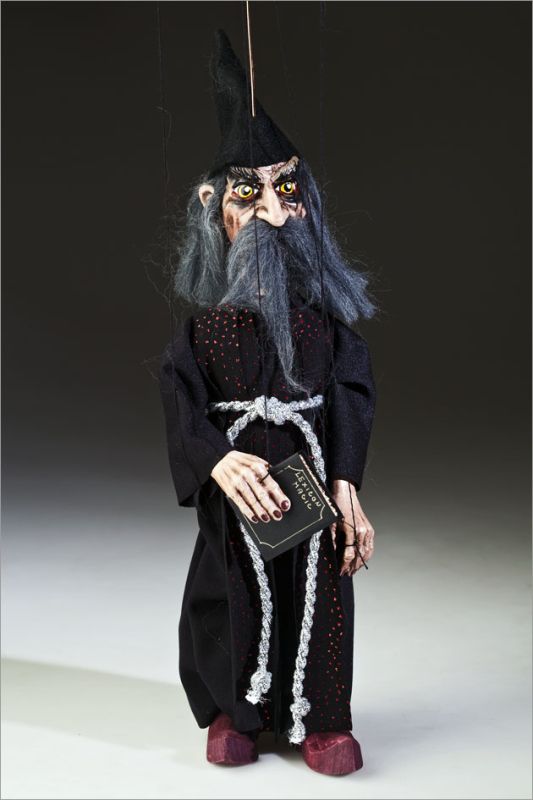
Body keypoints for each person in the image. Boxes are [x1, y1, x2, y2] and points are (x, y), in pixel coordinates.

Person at [158, 29, 377, 776]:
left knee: (321, 589)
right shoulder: (201, 333)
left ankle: (322, 716)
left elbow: (350, 393)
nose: (273, 215)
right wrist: (215, 462)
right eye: (248, 194)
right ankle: (234, 709)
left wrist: (346, 484)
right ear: (213, 208)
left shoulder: (328, 330)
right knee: (229, 590)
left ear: (308, 204)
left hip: (307, 483)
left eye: (288, 191)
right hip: (237, 497)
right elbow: (181, 401)